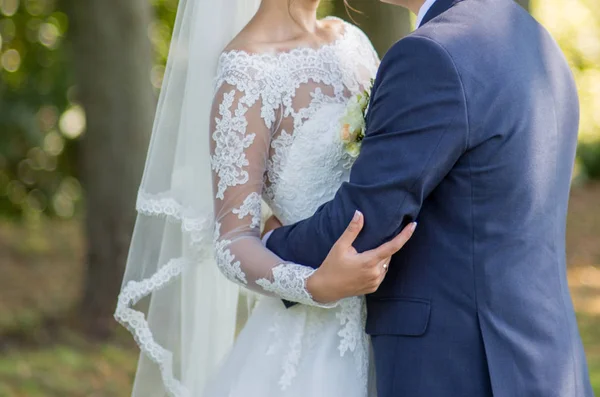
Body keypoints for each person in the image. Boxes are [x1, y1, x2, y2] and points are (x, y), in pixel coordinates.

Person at [264, 0, 594, 396]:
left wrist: (266, 245)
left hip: (459, 367)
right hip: (547, 363)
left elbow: (361, 225)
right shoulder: (532, 36)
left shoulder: (432, 54)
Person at [115, 0, 413, 396]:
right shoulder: (246, 73)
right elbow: (233, 240)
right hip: (315, 343)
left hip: (400, 312)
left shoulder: (351, 41)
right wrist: (314, 285)